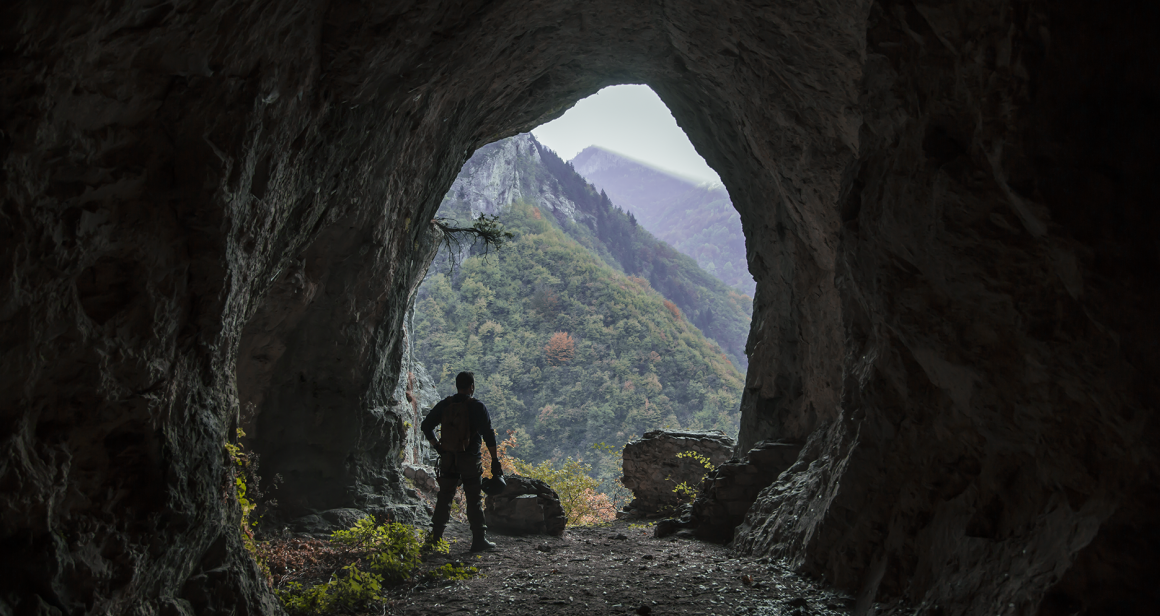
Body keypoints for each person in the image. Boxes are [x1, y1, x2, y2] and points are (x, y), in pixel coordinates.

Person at [420, 371, 504, 552]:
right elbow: (489, 435)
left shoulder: (445, 405)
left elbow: (425, 426)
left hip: (448, 458)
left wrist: (438, 448)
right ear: (472, 386)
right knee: (474, 498)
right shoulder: (477, 407)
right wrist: (495, 460)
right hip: (470, 459)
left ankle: (435, 539)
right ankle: (478, 540)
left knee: (444, 497)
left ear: (457, 386)